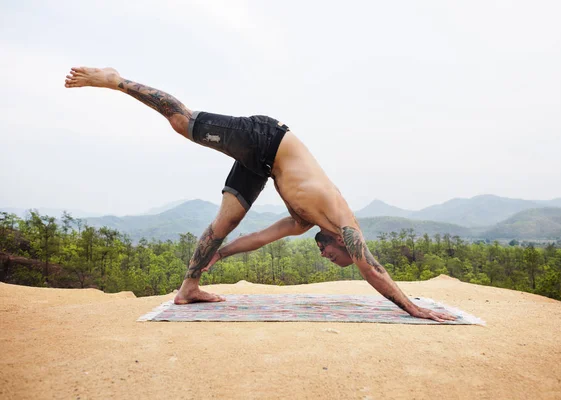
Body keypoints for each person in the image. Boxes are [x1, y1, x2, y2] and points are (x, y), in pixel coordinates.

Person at [65, 66, 455, 322]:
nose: (326, 255)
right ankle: (114, 80)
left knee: (226, 223)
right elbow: (371, 266)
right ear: (342, 242)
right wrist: (412, 306)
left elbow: (259, 238)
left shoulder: (304, 223)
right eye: (334, 256)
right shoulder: (342, 219)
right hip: (266, 138)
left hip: (263, 165)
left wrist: (221, 253)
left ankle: (188, 289)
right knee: (183, 123)